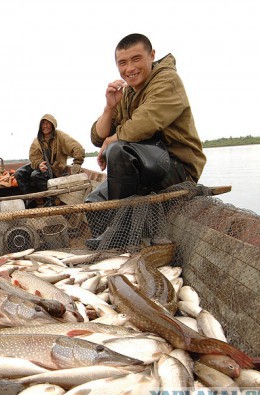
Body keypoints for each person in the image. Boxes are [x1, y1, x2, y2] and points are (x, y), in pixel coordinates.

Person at [85, 33, 207, 248]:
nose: (129, 68)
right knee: (93, 204)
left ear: (151, 55)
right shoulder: (128, 92)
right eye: (122, 63)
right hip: (143, 169)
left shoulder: (167, 80)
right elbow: (97, 137)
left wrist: (110, 142)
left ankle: (120, 236)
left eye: (136, 59)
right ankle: (118, 236)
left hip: (177, 168)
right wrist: (109, 108)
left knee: (119, 151)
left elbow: (144, 123)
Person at [14, 114, 85, 208]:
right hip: (42, 166)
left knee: (35, 175)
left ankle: (50, 199)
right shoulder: (37, 141)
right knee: (19, 173)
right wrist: (39, 164)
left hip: (55, 168)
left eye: (48, 123)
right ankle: (30, 199)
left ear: (53, 125)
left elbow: (76, 147)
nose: (45, 126)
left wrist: (77, 162)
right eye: (43, 123)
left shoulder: (60, 136)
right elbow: (33, 157)